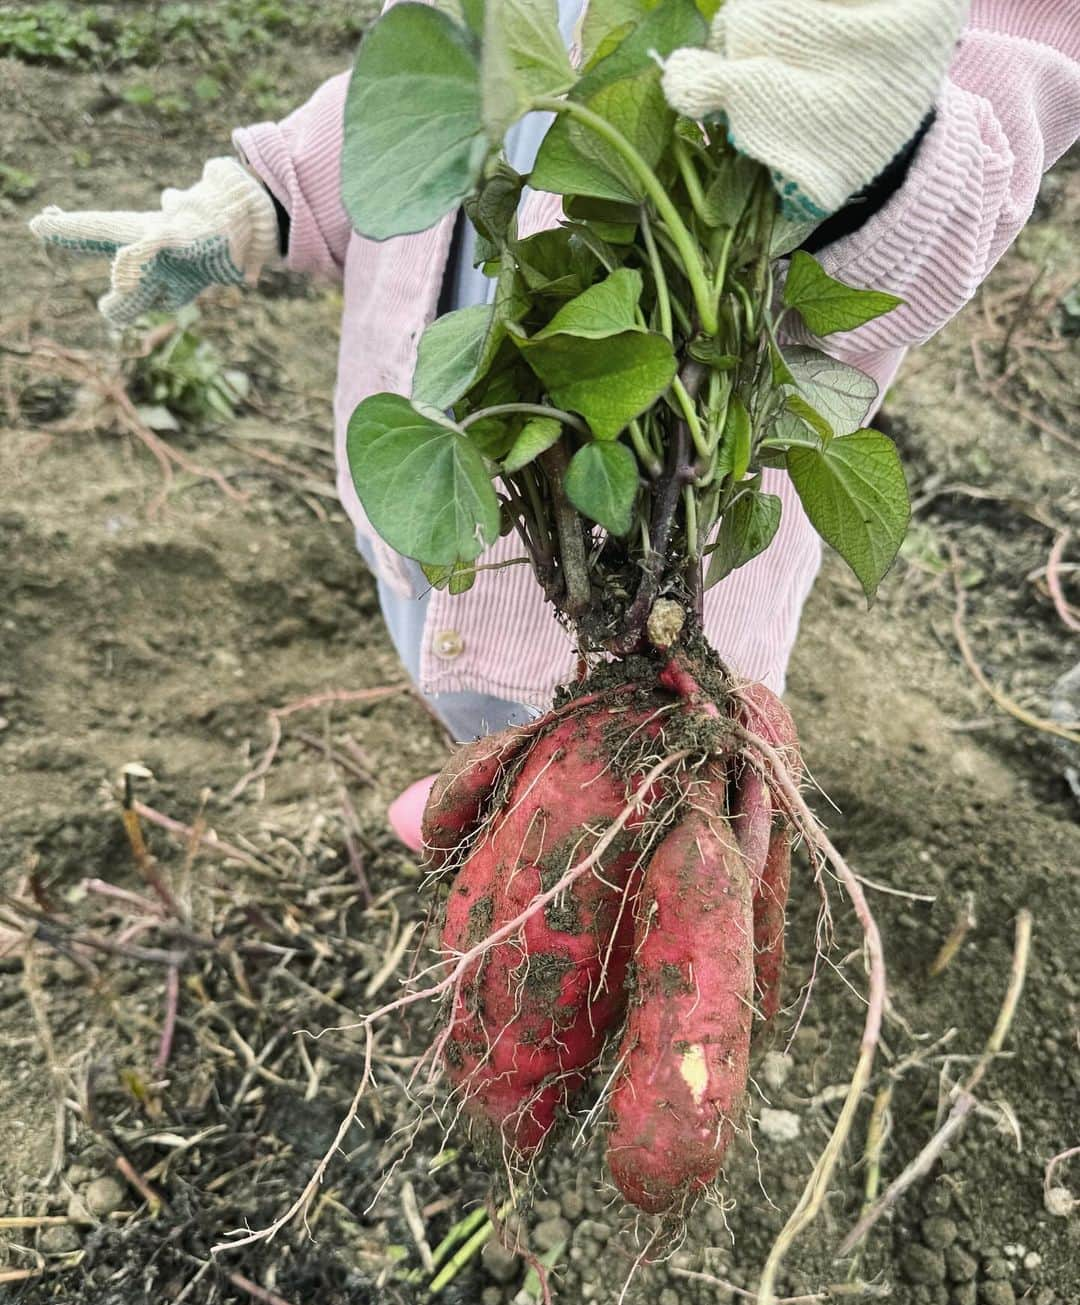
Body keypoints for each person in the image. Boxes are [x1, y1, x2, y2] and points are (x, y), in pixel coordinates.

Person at [29, 1, 1080, 850]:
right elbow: (431, 85)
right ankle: (503, 815)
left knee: (651, 810)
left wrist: (870, 149)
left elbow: (984, 159)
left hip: (669, 574)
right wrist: (262, 196)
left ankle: (618, 880)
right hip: (456, 509)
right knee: (494, 724)